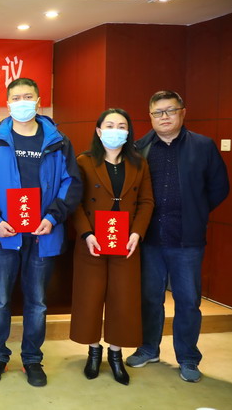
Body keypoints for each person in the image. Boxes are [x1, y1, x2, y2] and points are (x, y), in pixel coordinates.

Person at [0, 77, 82, 387]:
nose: (23, 102)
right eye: (16, 97)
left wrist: (53, 217)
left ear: (38, 101)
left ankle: (32, 359)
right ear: (8, 103)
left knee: (37, 302)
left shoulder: (58, 140)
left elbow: (71, 183)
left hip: (43, 234)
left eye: (28, 97)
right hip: (3, 235)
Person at [127, 90, 229, 383]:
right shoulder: (140, 147)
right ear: (150, 116)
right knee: (149, 299)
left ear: (183, 111)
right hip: (150, 239)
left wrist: (196, 211)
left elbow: (219, 187)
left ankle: (188, 358)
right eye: (158, 112)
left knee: (187, 301)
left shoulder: (203, 146)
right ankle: (148, 349)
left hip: (187, 239)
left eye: (170, 110)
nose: (164, 117)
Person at [69, 109, 154, 385]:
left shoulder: (139, 163)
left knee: (123, 298)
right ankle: (93, 351)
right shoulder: (83, 161)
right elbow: (75, 202)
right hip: (92, 239)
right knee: (90, 297)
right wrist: (86, 234)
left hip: (125, 241)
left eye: (121, 126)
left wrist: (137, 233)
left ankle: (116, 354)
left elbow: (146, 202)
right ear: (98, 131)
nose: (115, 130)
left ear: (128, 132)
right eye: (109, 125)